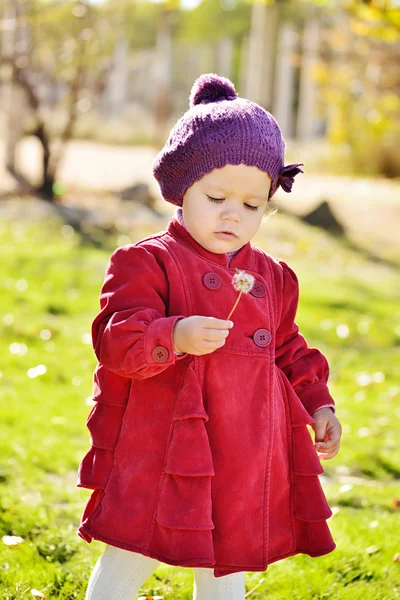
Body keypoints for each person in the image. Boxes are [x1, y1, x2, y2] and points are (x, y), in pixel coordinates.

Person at [77, 73, 342, 600]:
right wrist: (173, 334)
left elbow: (288, 348)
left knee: (226, 560)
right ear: (181, 189)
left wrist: (319, 404)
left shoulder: (272, 276)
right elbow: (115, 337)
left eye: (252, 204)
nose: (232, 214)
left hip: (242, 449)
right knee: (136, 544)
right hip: (163, 446)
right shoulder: (148, 261)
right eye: (216, 195)